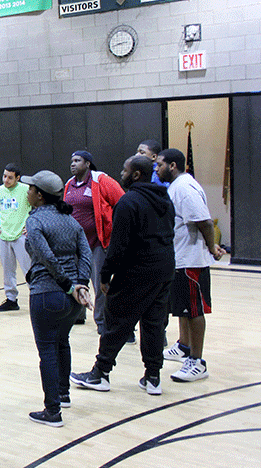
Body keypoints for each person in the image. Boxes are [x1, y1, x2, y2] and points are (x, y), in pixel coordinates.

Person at [70, 156, 175, 395]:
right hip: (164, 268)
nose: (121, 173)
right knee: (154, 323)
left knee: (115, 319)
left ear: (136, 175)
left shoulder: (129, 202)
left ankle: (100, 373)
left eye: (125, 170)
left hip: (138, 270)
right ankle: (153, 377)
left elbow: (118, 246)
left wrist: (105, 276)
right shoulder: (165, 199)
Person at [20, 170, 92, 427]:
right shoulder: (71, 220)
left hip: (47, 293)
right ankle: (63, 394)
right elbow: (85, 254)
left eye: (30, 189)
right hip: (72, 301)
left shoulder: (35, 221)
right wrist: (80, 284)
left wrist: (67, 284)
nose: (27, 192)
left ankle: (52, 411)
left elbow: (46, 257)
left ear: (39, 195)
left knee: (47, 350)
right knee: (62, 342)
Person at [156, 148, 226, 382]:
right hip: (179, 259)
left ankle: (197, 361)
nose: (157, 169)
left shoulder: (185, 189)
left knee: (194, 310)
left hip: (191, 261)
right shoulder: (177, 186)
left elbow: (204, 221)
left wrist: (213, 247)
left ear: (173, 166)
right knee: (183, 308)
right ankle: (184, 347)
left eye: (160, 165)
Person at [63, 150, 125, 332]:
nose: (72, 164)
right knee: (76, 280)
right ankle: (77, 314)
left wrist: (113, 229)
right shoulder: (69, 184)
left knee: (100, 284)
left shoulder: (101, 180)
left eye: (77, 160)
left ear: (88, 163)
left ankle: (102, 321)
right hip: (74, 243)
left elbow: (122, 201)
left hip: (98, 242)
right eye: (71, 160)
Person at [0, 164, 32, 312]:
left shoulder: (26, 190)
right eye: (4, 176)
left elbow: (39, 206)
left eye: (10, 177)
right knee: (8, 270)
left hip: (21, 236)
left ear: (18, 178)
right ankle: (11, 299)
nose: (6, 180)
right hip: (4, 237)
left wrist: (31, 225)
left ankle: (37, 296)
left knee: (29, 269)